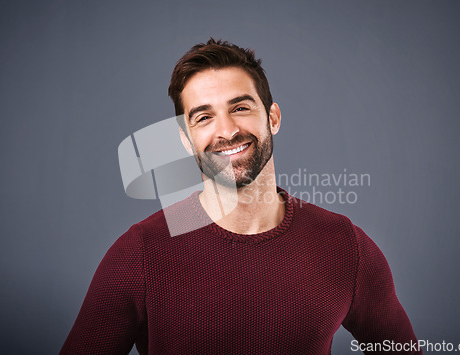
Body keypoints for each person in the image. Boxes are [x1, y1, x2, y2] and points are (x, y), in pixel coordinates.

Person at [61, 38, 421, 354]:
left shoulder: (345, 245)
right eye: (204, 118)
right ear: (186, 141)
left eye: (240, 107)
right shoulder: (142, 252)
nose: (227, 130)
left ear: (273, 117)